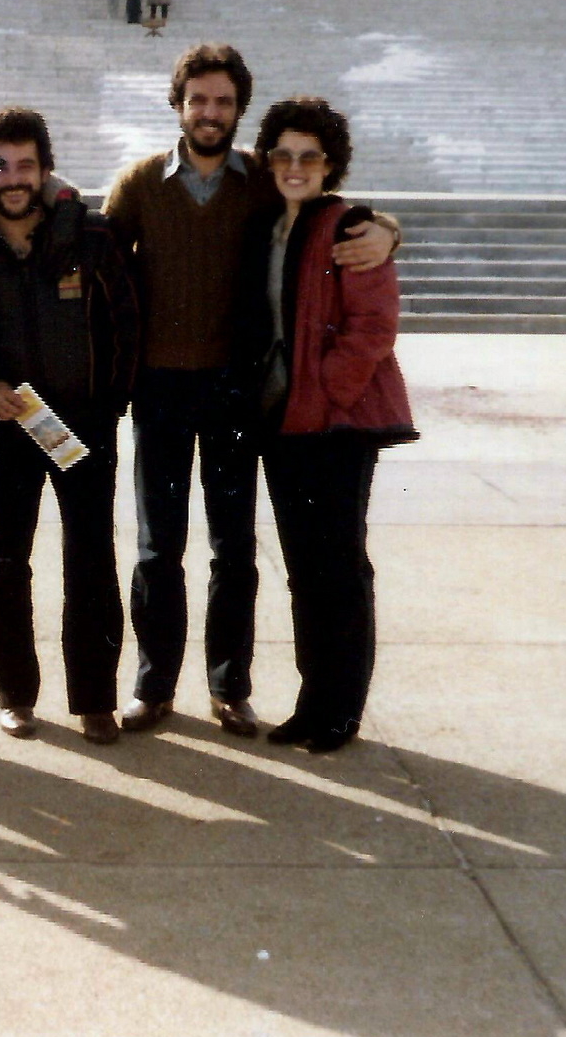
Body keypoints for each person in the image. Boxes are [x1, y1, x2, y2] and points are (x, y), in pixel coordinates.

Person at [103, 43, 397, 738]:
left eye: (224, 102)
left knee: (234, 548)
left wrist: (388, 228)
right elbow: (100, 269)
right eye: (199, 100)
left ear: (239, 111)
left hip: (236, 394)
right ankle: (153, 687)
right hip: (162, 392)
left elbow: (329, 211)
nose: (210, 113)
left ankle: (229, 686)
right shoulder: (140, 183)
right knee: (157, 547)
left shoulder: (261, 185)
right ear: (178, 105)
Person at [231, 98, 416, 753]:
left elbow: (373, 327)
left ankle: (342, 709)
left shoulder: (353, 226)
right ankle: (314, 703)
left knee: (338, 567)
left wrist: (327, 396)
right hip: (285, 424)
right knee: (305, 569)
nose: (295, 166)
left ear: (330, 163)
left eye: (309, 156)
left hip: (336, 429)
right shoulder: (269, 227)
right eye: (283, 154)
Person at [0, 108, 139, 745]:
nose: (13, 179)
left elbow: (126, 326)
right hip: (9, 426)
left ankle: (94, 698)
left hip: (78, 425)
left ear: (44, 169)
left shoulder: (88, 233)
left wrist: (106, 406)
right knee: (5, 563)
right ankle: (16, 695)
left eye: (26, 165)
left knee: (91, 560)